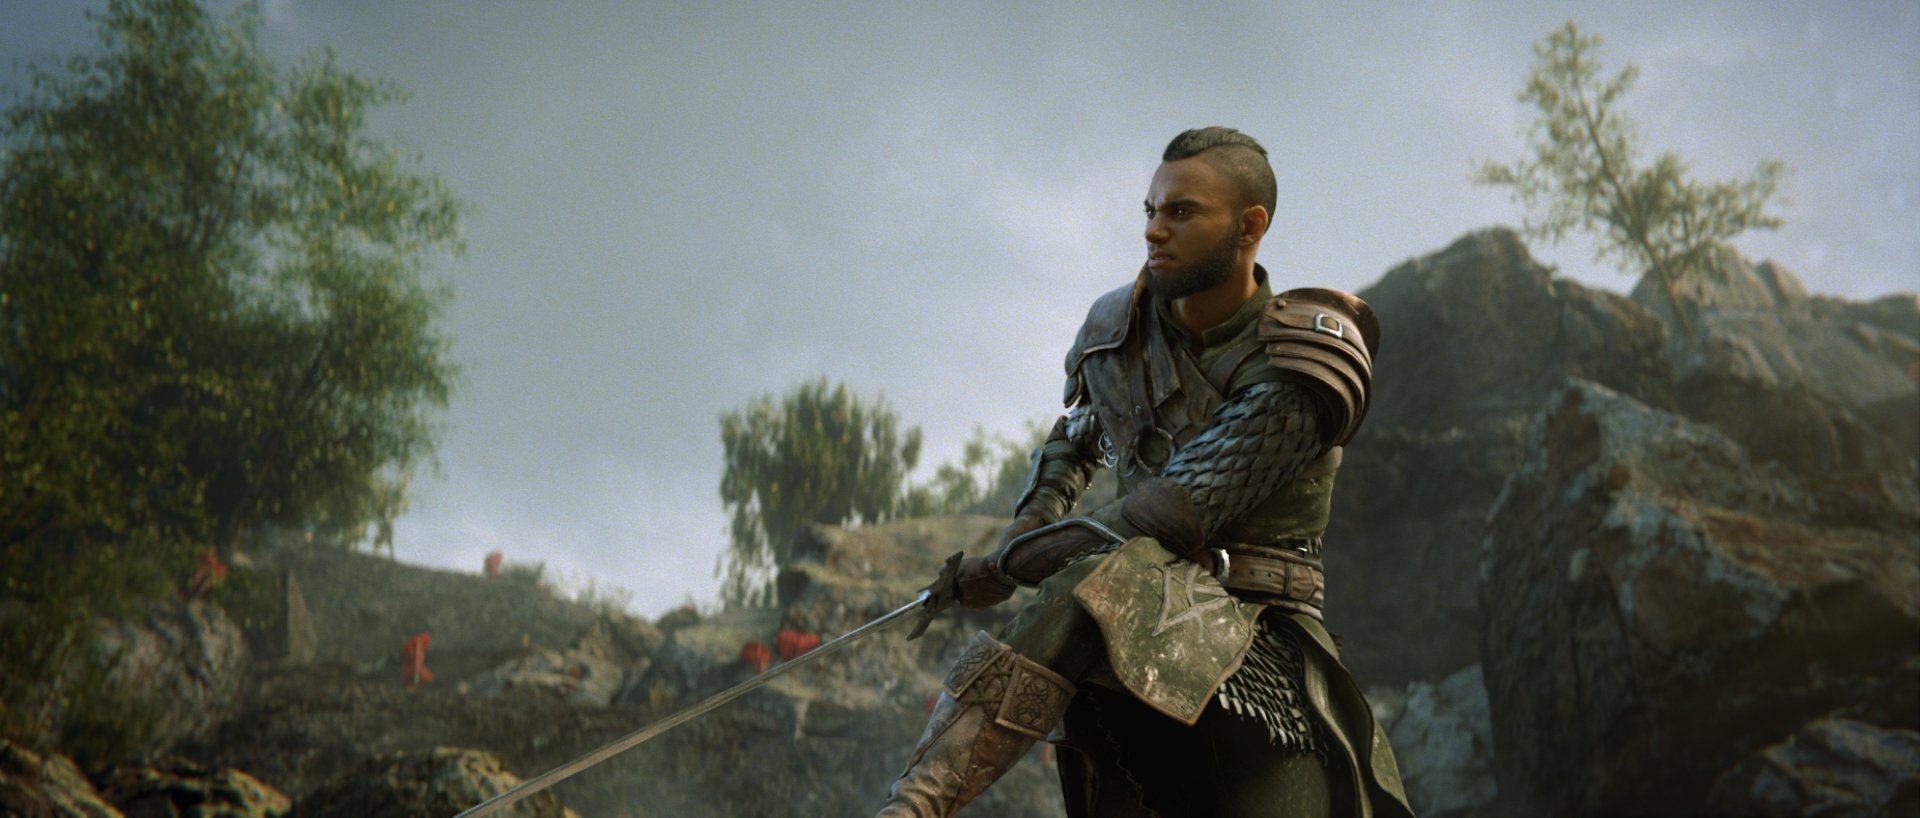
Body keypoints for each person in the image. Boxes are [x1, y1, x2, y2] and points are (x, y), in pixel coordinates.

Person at [875, 127, 1413, 818]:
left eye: (1182, 212)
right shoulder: (1121, 332)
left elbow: (1168, 513)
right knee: (1103, 590)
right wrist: (1029, 520)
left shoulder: (1303, 360)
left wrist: (1008, 566)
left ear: (1250, 227)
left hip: (1258, 627)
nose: (1155, 230)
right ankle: (914, 807)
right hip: (1120, 620)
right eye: (1151, 211)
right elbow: (1077, 438)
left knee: (1104, 579)